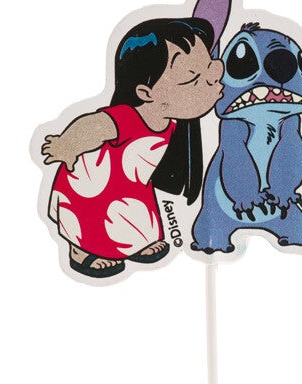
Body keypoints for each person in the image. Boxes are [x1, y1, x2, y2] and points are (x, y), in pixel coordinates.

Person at [41, 16, 223, 278]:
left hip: (130, 183)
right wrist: (67, 145)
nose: (210, 81)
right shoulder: (127, 118)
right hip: (94, 184)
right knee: (90, 216)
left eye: (208, 69)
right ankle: (80, 251)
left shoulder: (170, 123)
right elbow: (95, 125)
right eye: (191, 78)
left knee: (135, 217)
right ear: (145, 92)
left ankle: (130, 243)